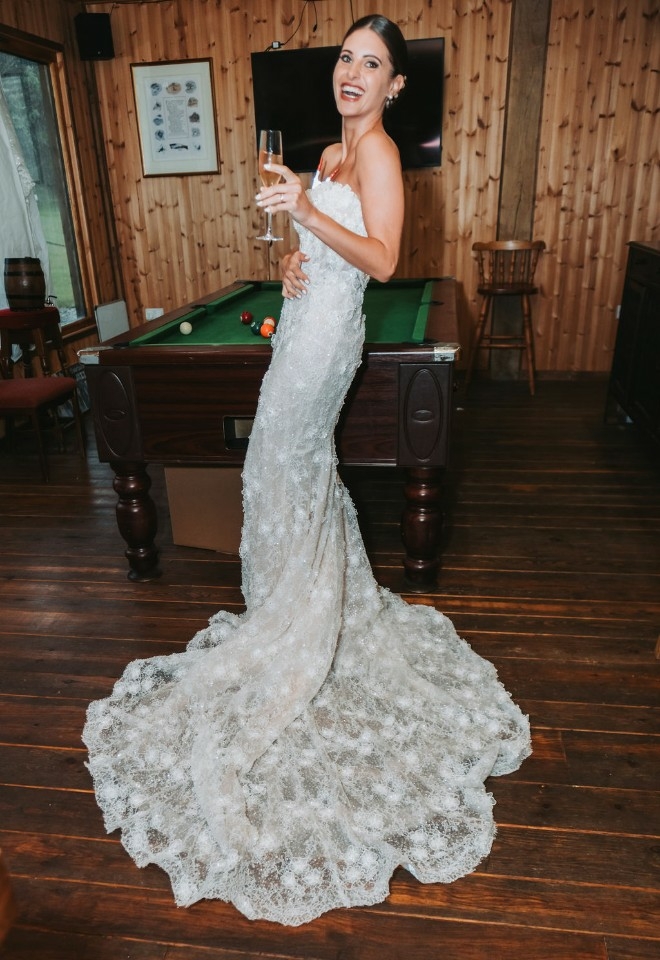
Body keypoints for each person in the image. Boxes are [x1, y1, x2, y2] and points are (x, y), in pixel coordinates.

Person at [83, 14, 531, 927]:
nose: (354, 73)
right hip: (302, 323)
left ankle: (297, 624)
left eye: (372, 63)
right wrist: (293, 259)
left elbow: (386, 257)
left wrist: (312, 220)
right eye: (345, 59)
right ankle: (293, 607)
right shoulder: (327, 148)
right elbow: (323, 252)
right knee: (284, 474)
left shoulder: (380, 155)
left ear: (396, 85)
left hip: (330, 344)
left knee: (282, 462)